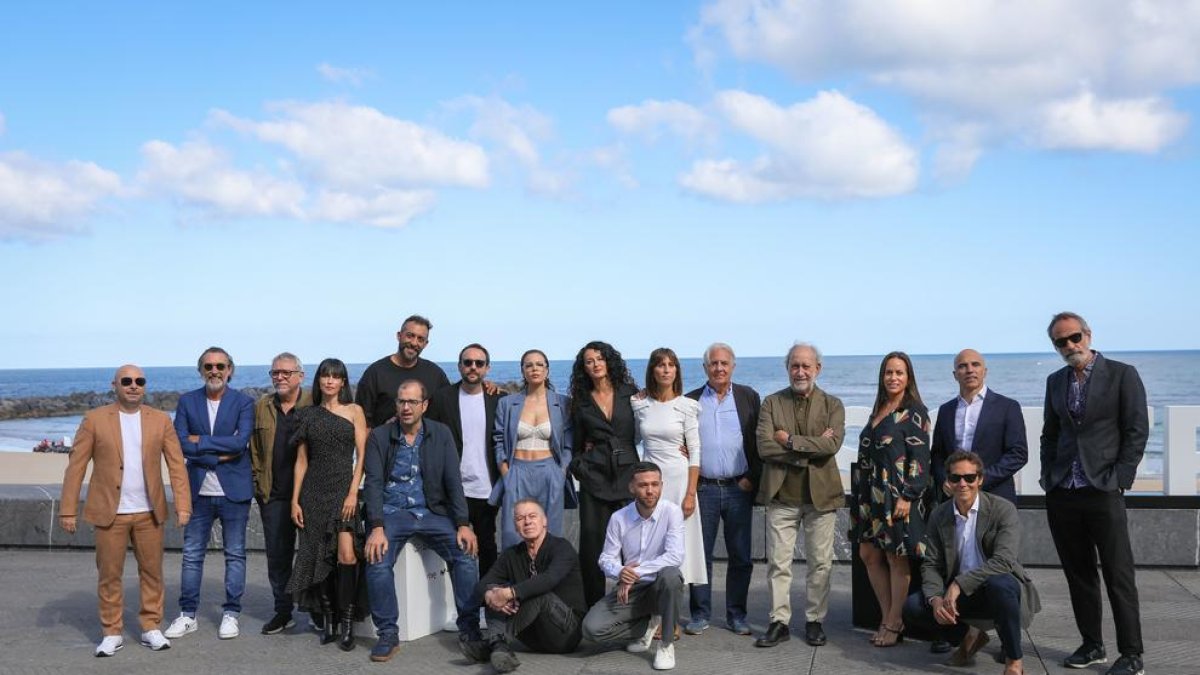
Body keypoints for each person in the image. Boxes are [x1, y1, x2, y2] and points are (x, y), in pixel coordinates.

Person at [59, 365, 192, 657]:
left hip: (149, 513)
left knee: (153, 573)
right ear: (115, 385)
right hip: (110, 513)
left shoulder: (159, 420)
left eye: (139, 381)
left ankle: (150, 627)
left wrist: (183, 504)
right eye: (127, 381)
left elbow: (177, 465)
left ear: (144, 386)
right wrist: (67, 509)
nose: (133, 386)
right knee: (109, 574)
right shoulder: (94, 420)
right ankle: (111, 632)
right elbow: (76, 466)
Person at [1041, 312, 1147, 675]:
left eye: (1074, 337)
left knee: (1119, 574)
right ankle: (1092, 645)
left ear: (1087, 334)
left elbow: (1136, 430)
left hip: (1103, 489)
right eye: (1060, 342)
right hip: (1063, 491)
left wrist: (1121, 477)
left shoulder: (1122, 374)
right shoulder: (1055, 381)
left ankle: (1132, 654)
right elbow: (1050, 435)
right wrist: (1047, 476)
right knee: (1079, 573)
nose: (1070, 346)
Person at [362, 380, 481, 663]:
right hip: (393, 513)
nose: (405, 407)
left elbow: (453, 481)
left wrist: (463, 523)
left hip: (432, 512)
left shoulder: (441, 434)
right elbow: (374, 484)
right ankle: (388, 633)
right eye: (401, 401)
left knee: (466, 554)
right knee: (377, 561)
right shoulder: (380, 436)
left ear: (424, 405)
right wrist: (376, 526)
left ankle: (470, 629)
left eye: (412, 402)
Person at [902, 451, 1040, 675]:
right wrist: (936, 599)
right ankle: (970, 635)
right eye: (956, 478)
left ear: (980, 479)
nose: (962, 484)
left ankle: (1014, 661)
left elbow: (1004, 561)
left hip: (996, 588)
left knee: (1000, 585)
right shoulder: (939, 515)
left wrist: (958, 584)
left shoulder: (1002, 509)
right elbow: (931, 564)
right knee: (914, 607)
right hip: (960, 595)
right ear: (948, 481)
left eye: (969, 477)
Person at [753, 342, 845, 648]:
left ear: (817, 368)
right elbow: (765, 447)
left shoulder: (833, 405)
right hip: (782, 497)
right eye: (795, 365)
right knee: (778, 564)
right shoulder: (771, 403)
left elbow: (832, 446)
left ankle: (814, 621)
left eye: (806, 365)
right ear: (787, 368)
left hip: (822, 498)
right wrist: (809, 448)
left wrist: (790, 440)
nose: (800, 371)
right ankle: (778, 622)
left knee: (821, 564)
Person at [165, 347, 255, 641]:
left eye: (220, 365)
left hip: (234, 492)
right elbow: (180, 443)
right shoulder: (188, 401)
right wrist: (218, 448)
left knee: (235, 555)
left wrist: (200, 442)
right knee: (191, 555)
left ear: (230, 369)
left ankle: (231, 613)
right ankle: (187, 615)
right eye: (208, 366)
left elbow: (240, 444)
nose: (214, 371)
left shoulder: (243, 402)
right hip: (198, 492)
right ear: (200, 370)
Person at [286, 358, 369, 651]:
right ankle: (329, 620)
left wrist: (352, 494)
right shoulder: (307, 415)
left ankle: (347, 623)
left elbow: (362, 457)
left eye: (335, 376)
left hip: (343, 493)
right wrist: (296, 500)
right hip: (313, 494)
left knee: (347, 556)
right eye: (325, 375)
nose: (330, 381)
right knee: (318, 554)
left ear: (343, 382)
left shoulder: (355, 411)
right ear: (319, 380)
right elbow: (301, 461)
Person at [850, 351, 932, 648]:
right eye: (888, 372)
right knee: (869, 555)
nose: (893, 377)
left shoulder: (915, 411)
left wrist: (909, 495)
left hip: (896, 496)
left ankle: (895, 621)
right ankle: (886, 617)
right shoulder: (880, 409)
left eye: (899, 372)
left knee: (896, 560)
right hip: (869, 496)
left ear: (908, 377)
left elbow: (921, 459)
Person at [684, 342, 761, 637]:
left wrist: (753, 477)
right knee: (699, 555)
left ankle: (737, 615)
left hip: (739, 487)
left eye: (724, 363)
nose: (719, 368)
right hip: (703, 489)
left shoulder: (748, 397)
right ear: (705, 368)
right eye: (713, 363)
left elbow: (760, 441)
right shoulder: (690, 401)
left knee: (740, 555)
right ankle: (700, 614)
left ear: (733, 366)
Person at [581, 461, 686, 671]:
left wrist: (633, 572)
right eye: (643, 485)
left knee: (671, 576)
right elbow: (605, 558)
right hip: (632, 590)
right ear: (631, 487)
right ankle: (645, 626)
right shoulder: (619, 518)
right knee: (590, 629)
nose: (650, 490)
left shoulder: (672, 512)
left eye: (655, 484)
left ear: (662, 486)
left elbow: (675, 556)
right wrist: (620, 571)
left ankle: (665, 644)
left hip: (658, 585)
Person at [460, 499, 586, 673]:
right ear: (516, 526)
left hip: (566, 633)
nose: (527, 521)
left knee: (539, 595)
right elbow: (483, 584)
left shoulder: (562, 548)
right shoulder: (511, 554)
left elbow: (548, 580)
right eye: (520, 518)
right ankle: (499, 646)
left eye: (532, 516)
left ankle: (494, 645)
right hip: (532, 636)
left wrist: (510, 593)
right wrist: (491, 595)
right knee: (495, 593)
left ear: (544, 521)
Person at [568, 340, 639, 606]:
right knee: (592, 546)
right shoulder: (581, 401)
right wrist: (581, 467)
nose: (595, 364)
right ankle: (592, 607)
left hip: (629, 478)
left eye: (600, 359)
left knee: (633, 545)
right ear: (583, 368)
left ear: (609, 361)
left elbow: (651, 424)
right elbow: (575, 444)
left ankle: (634, 607)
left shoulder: (631, 393)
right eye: (589, 361)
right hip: (594, 479)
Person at [427, 343, 506, 575]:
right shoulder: (442, 398)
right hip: (452, 486)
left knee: (487, 544)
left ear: (487, 369)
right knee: (453, 544)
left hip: (486, 487)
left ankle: (487, 597)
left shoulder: (498, 399)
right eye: (468, 362)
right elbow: (427, 435)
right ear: (459, 366)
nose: (473, 367)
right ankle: (457, 599)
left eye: (479, 363)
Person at [631, 348, 705, 592]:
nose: (666, 369)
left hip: (679, 481)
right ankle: (653, 611)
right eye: (660, 365)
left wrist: (690, 494)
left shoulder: (687, 406)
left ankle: (672, 613)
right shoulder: (639, 403)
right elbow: (630, 439)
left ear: (677, 371)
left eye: (671, 365)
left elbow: (695, 451)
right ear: (652, 370)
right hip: (651, 483)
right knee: (652, 544)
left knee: (678, 545)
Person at [249, 352, 311, 635]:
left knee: (314, 554)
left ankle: (317, 611)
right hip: (273, 495)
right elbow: (253, 448)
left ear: (300, 375)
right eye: (275, 373)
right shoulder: (262, 406)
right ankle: (283, 611)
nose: (280, 377)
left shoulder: (315, 404)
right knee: (278, 557)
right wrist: (257, 484)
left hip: (310, 495)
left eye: (286, 372)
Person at [490, 349, 574, 549]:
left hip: (550, 471)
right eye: (529, 365)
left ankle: (547, 579)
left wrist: (561, 471)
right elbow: (498, 439)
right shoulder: (507, 403)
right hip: (516, 471)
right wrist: (506, 473)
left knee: (550, 532)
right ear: (523, 371)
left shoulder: (562, 403)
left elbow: (569, 442)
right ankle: (516, 579)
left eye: (539, 364)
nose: (534, 368)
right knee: (513, 532)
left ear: (547, 370)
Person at [931, 349, 1028, 503]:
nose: (970, 370)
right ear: (955, 374)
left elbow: (1018, 454)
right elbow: (937, 454)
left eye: (975, 364)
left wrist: (978, 480)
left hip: (995, 496)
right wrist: (947, 480)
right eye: (962, 366)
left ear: (985, 371)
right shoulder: (946, 410)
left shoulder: (1007, 407)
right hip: (954, 497)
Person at [355, 315, 451, 428]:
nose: (414, 343)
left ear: (425, 344)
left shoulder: (435, 375)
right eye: (410, 336)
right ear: (399, 336)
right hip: (385, 443)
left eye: (420, 339)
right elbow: (362, 421)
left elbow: (447, 414)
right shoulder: (375, 373)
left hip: (427, 443)